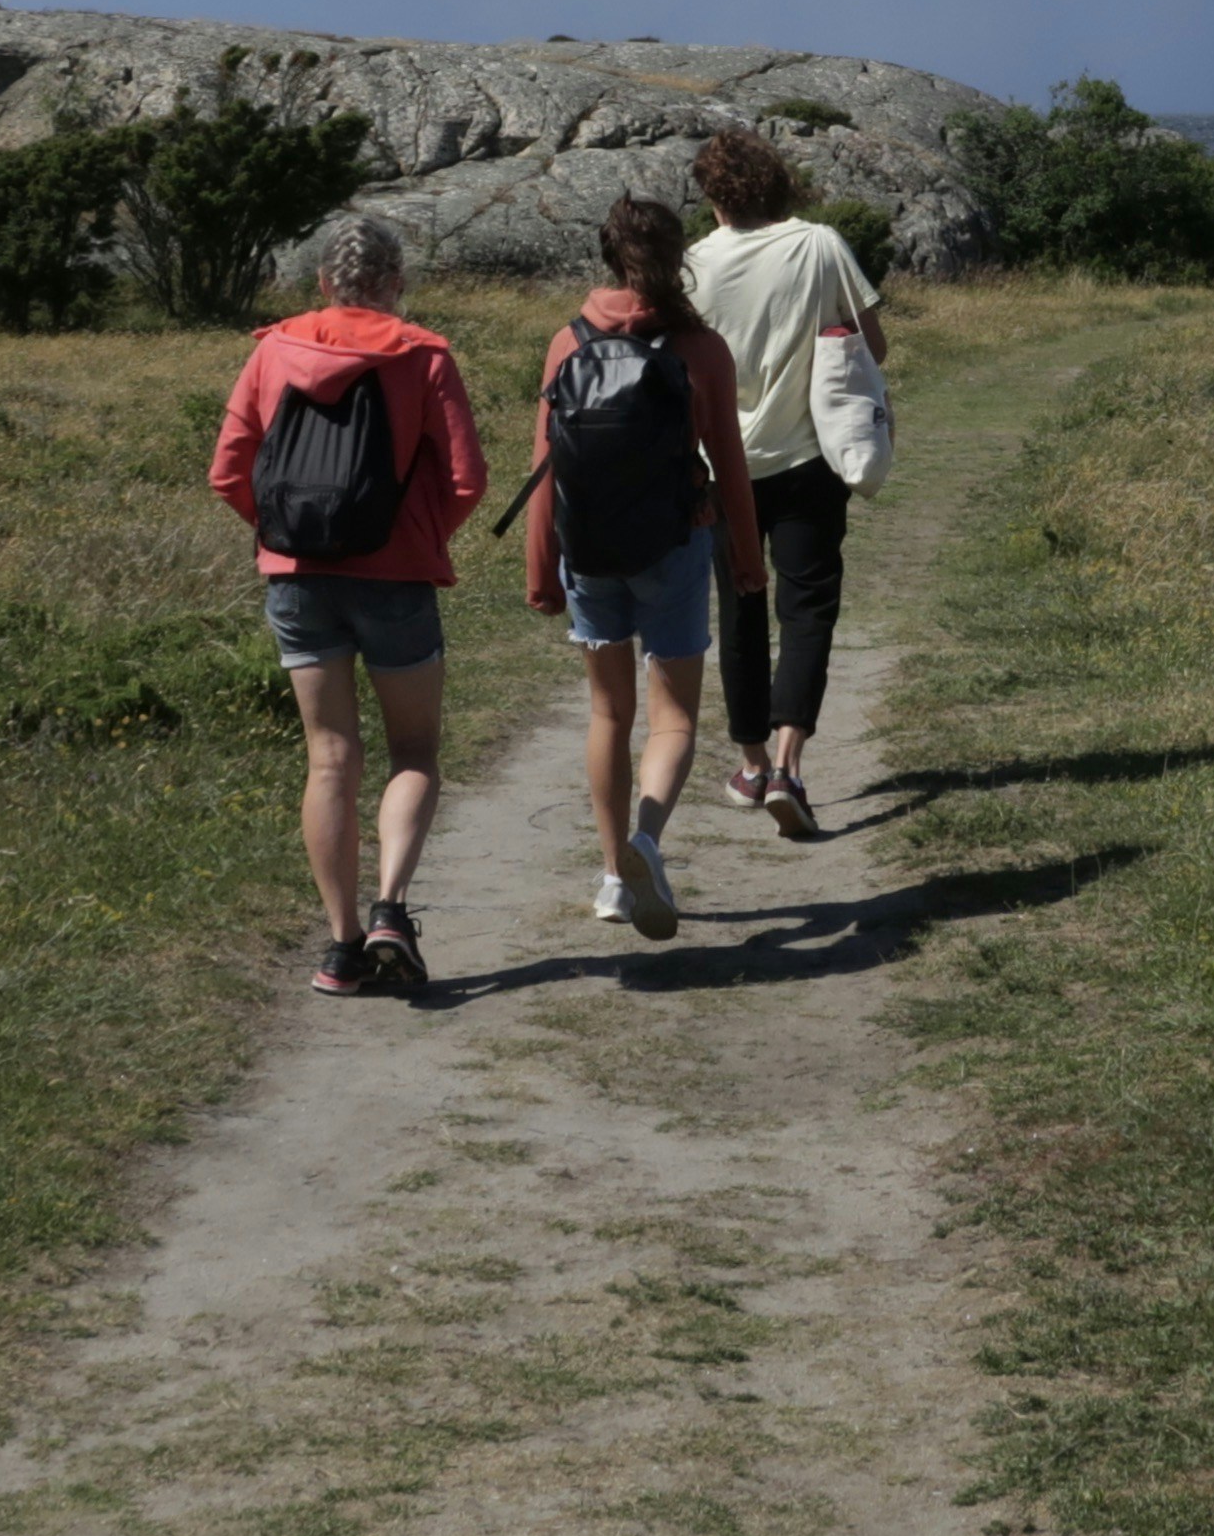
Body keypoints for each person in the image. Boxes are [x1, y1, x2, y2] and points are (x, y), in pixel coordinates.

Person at [210, 211, 486, 999]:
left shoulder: (271, 351)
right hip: (396, 578)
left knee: (329, 757)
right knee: (416, 752)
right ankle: (392, 908)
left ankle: (340, 949)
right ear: (396, 284)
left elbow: (228, 471)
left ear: (323, 281)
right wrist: (420, 541)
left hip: (297, 577)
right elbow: (466, 479)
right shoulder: (423, 355)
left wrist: (283, 540)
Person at [522, 195, 764, 941]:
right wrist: (747, 561)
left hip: (591, 554)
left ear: (606, 255)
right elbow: (728, 464)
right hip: (677, 545)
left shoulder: (568, 342)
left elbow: (544, 467)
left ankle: (609, 877)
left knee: (607, 715)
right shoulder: (699, 348)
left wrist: (541, 571)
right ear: (677, 258)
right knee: (675, 719)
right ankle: (647, 842)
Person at [683, 127, 884, 837]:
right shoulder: (821, 244)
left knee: (737, 614)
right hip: (808, 458)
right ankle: (790, 766)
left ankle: (750, 762)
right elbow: (872, 346)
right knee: (806, 608)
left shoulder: (690, 266)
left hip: (717, 470)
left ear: (712, 199)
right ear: (777, 184)